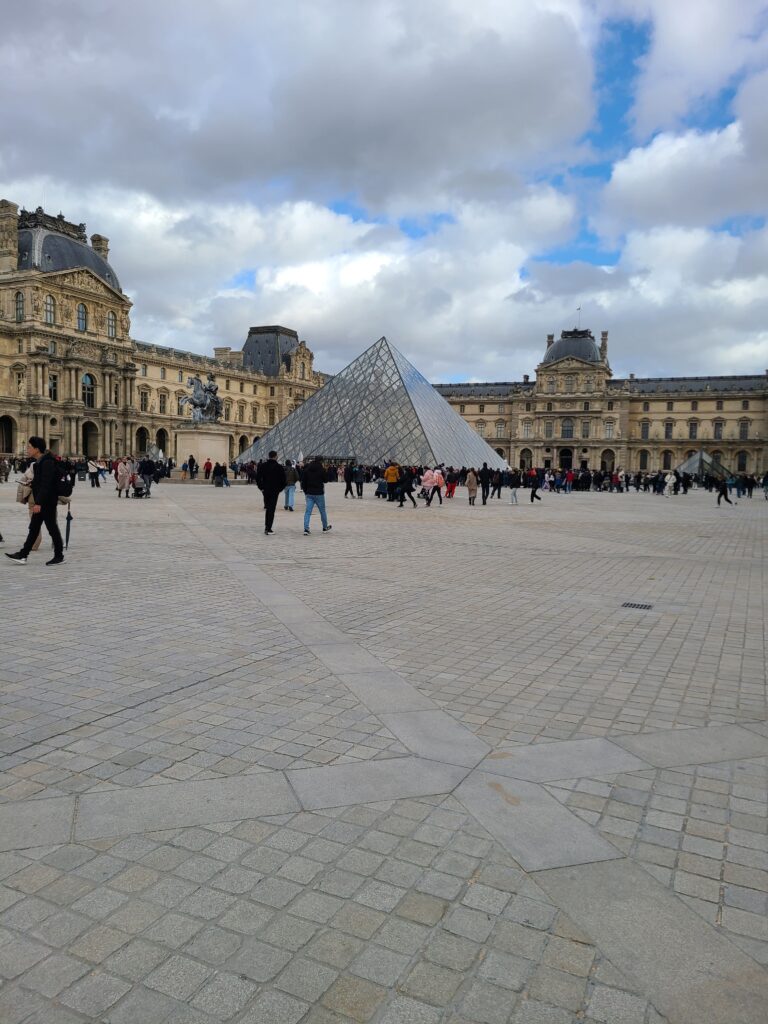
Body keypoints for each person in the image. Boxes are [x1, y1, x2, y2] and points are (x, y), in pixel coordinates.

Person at [5, 437, 65, 565]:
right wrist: (32, 483)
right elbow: (41, 482)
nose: (27, 449)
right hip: (42, 499)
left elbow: (46, 485)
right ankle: (23, 554)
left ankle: (59, 556)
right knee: (34, 528)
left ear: (37, 449)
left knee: (52, 528)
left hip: (46, 501)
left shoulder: (47, 462)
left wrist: (38, 503)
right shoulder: (40, 461)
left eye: (29, 447)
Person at [256, 450, 287, 535]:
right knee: (271, 509)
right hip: (274, 491)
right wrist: (279, 489)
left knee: (268, 508)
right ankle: (268, 528)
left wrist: (261, 488)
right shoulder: (279, 467)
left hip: (265, 490)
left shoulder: (262, 466)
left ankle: (267, 526)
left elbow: (258, 478)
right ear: (276, 456)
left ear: (269, 456)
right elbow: (284, 481)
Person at [301, 456, 332, 535]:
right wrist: (326, 471)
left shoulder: (307, 469)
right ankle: (325, 527)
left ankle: (306, 529)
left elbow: (303, 482)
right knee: (322, 511)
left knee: (308, 512)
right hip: (319, 493)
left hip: (309, 493)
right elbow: (326, 480)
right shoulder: (321, 470)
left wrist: (306, 491)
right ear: (321, 461)